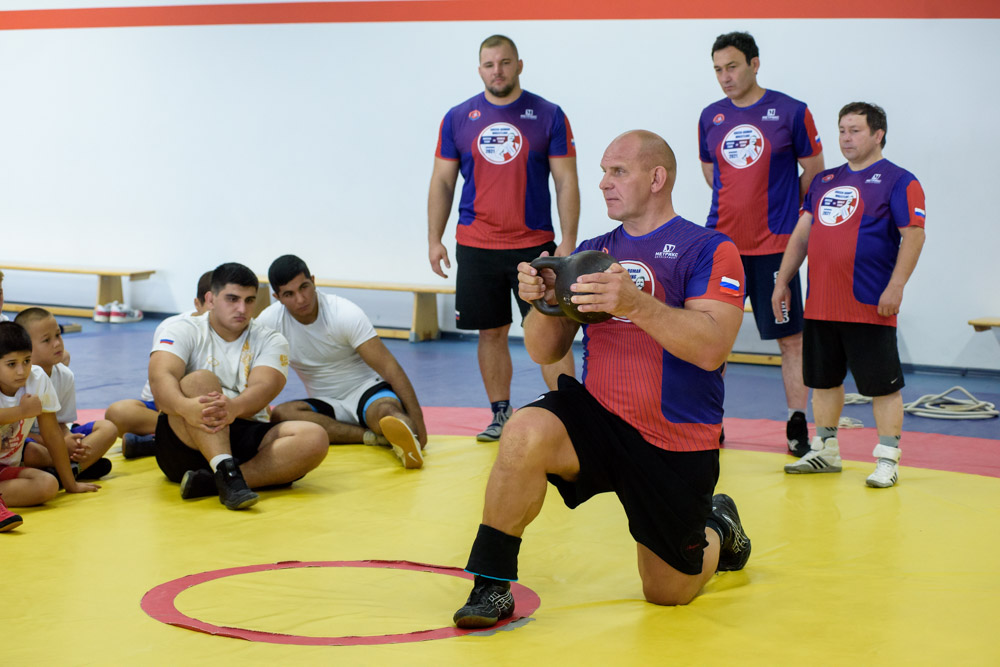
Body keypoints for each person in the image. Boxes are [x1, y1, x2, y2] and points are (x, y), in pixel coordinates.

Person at [452, 130, 751, 629]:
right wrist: (543, 303)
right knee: (524, 430)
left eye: (618, 172)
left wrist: (633, 302)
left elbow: (711, 347)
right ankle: (491, 583)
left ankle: (718, 525)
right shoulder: (590, 253)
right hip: (601, 419)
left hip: (675, 438)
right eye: (603, 171)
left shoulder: (710, 249)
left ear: (657, 178)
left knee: (668, 592)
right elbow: (545, 349)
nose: (603, 183)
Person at [427, 34, 580, 442]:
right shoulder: (458, 118)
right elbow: (442, 182)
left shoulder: (548, 115)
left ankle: (569, 414)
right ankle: (500, 412)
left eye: (505, 62)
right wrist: (434, 239)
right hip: (476, 244)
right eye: (489, 64)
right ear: (480, 69)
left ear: (519, 65)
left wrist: (568, 240)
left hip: (534, 245)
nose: (498, 71)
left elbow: (566, 180)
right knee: (490, 332)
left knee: (549, 329)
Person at [773, 103, 926, 488]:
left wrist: (896, 286)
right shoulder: (823, 181)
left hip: (870, 303)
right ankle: (825, 450)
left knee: (883, 386)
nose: (846, 138)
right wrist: (782, 281)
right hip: (822, 304)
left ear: (878, 135)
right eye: (842, 130)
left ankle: (888, 458)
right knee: (823, 381)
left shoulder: (899, 180)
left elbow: (914, 235)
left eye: (855, 130)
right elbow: (802, 234)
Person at [698, 31, 825, 455]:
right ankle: (710, 423)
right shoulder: (710, 117)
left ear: (754, 64)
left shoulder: (791, 112)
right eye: (718, 69)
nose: (725, 77)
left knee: (790, 340)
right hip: (721, 248)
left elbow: (814, 175)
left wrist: (792, 225)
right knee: (712, 337)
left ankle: (796, 423)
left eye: (732, 66)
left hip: (775, 248)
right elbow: (711, 173)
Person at [148, 262, 328, 510]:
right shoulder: (181, 329)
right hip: (186, 436)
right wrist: (183, 406)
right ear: (210, 299)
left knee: (314, 437)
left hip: (242, 427)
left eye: (249, 300)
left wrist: (233, 408)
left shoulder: (271, 339)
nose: (242, 308)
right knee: (201, 380)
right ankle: (227, 471)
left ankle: (218, 481)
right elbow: (160, 378)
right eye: (232, 299)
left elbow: (265, 386)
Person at [257, 255, 427, 469]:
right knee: (282, 414)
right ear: (277, 297)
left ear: (314, 281)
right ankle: (372, 437)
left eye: (304, 287)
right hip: (326, 404)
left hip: (367, 392)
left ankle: (402, 436)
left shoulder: (344, 313)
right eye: (289, 294)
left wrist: (419, 426)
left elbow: (389, 367)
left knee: (388, 413)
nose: (300, 299)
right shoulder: (269, 322)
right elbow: (255, 374)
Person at [0, 322, 99, 530]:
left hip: (5, 470)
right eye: (11, 364)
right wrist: (20, 412)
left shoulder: (37, 379)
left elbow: (52, 434)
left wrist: (70, 483)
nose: (21, 371)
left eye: (26, 361)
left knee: (48, 485)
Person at [106, 270, 213, 459]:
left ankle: (159, 443)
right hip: (176, 407)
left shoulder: (246, 330)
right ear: (197, 304)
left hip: (215, 410)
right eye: (213, 305)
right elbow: (159, 389)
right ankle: (182, 438)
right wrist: (184, 410)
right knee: (119, 413)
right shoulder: (174, 328)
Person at [15, 308, 115, 480]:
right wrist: (60, 445)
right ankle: (76, 468)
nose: (57, 343)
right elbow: (12, 433)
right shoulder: (17, 380)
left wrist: (70, 441)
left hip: (55, 439)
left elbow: (60, 424)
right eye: (46, 340)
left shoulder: (65, 376)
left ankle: (67, 470)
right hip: (29, 442)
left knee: (108, 429)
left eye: (58, 335)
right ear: (25, 347)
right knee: (32, 452)